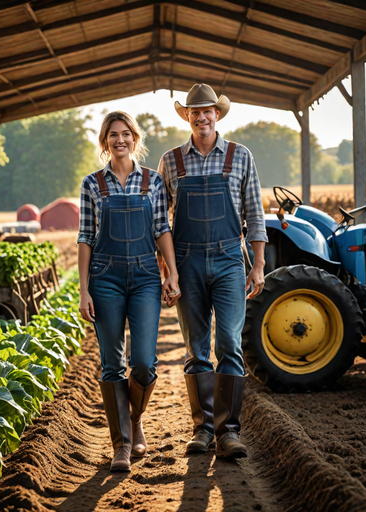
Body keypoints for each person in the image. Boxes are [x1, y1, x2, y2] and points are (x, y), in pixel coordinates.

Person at [158, 84, 267, 459]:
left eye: (207, 111)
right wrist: (167, 271)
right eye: (194, 112)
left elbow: (255, 213)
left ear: (217, 115)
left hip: (228, 261)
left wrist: (258, 265)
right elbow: (160, 222)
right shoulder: (171, 161)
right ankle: (202, 429)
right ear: (187, 117)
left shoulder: (240, 156)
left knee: (231, 346)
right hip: (186, 262)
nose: (201, 117)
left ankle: (228, 432)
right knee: (196, 349)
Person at [77, 111, 181, 472]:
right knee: (111, 365)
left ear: (135, 138)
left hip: (144, 277)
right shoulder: (92, 184)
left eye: (126, 134)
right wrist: (83, 289)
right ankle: (121, 445)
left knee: (144, 363)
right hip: (104, 278)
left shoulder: (153, 182)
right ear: (105, 141)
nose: (120, 140)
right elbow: (85, 238)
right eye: (113, 135)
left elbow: (161, 229)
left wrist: (172, 273)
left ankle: (134, 419)